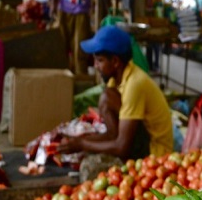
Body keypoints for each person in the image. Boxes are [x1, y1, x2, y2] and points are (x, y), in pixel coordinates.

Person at [58, 25, 173, 160]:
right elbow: (113, 135)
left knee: (107, 97)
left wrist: (83, 144)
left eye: (100, 60)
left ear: (115, 62)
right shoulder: (116, 79)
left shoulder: (135, 84)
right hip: (139, 139)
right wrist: (77, 140)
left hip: (156, 152)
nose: (95, 66)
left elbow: (121, 147)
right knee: (106, 97)